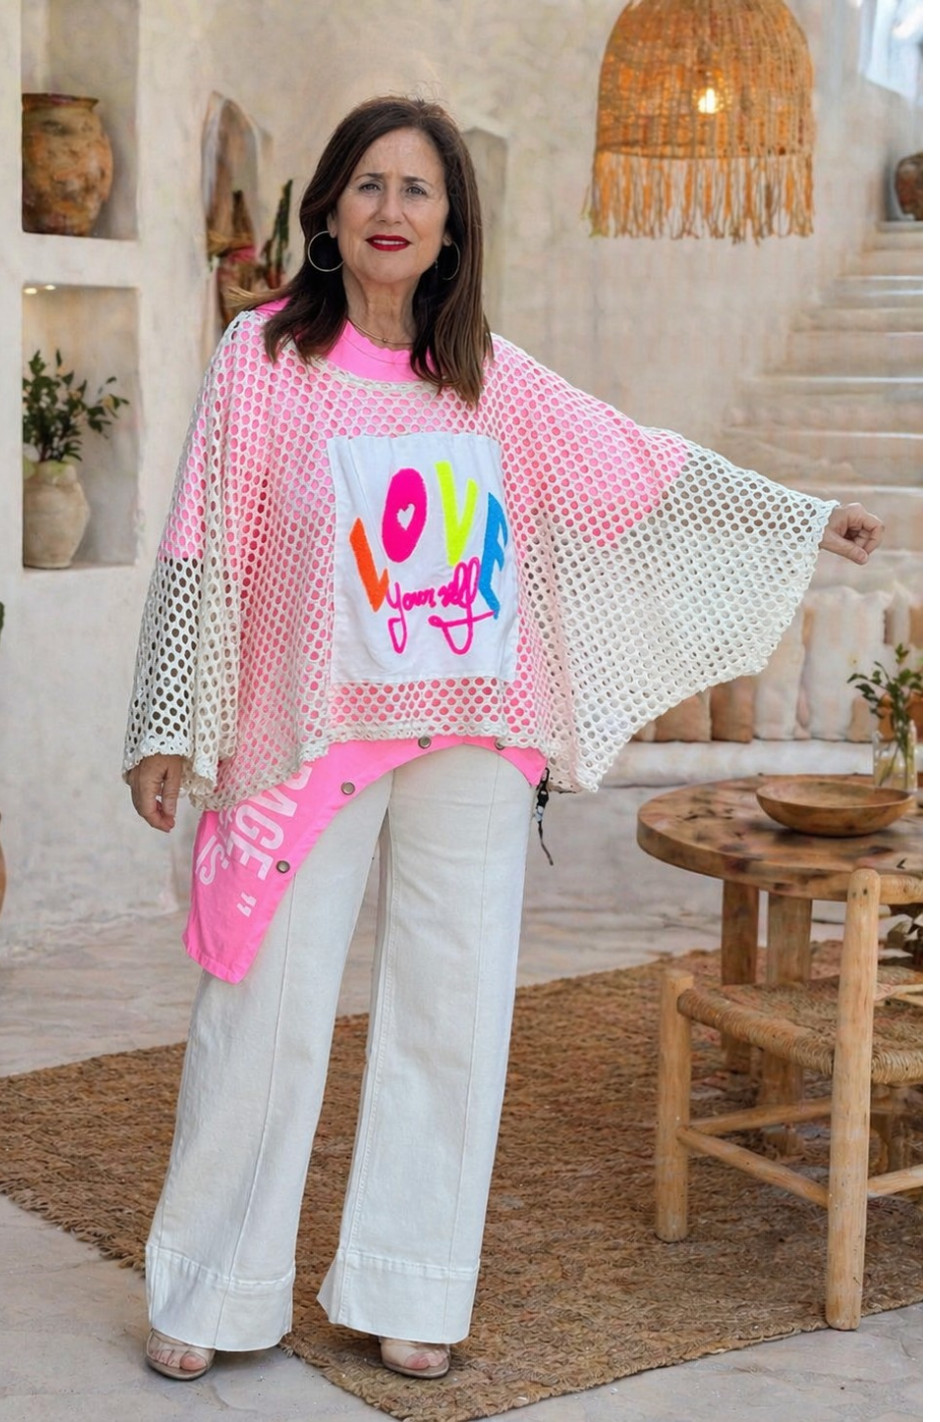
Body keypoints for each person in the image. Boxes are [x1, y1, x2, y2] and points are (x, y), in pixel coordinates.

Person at [124, 95, 883, 1384]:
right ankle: (210, 1289)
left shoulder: (492, 379)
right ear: (328, 208)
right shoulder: (265, 358)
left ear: (451, 225)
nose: (392, 210)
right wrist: (167, 722)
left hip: (478, 731)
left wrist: (800, 517)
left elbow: (640, 473)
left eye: (419, 189)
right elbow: (204, 536)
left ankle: (411, 1286)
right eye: (369, 183)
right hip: (306, 733)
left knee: (452, 1011)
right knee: (262, 1011)